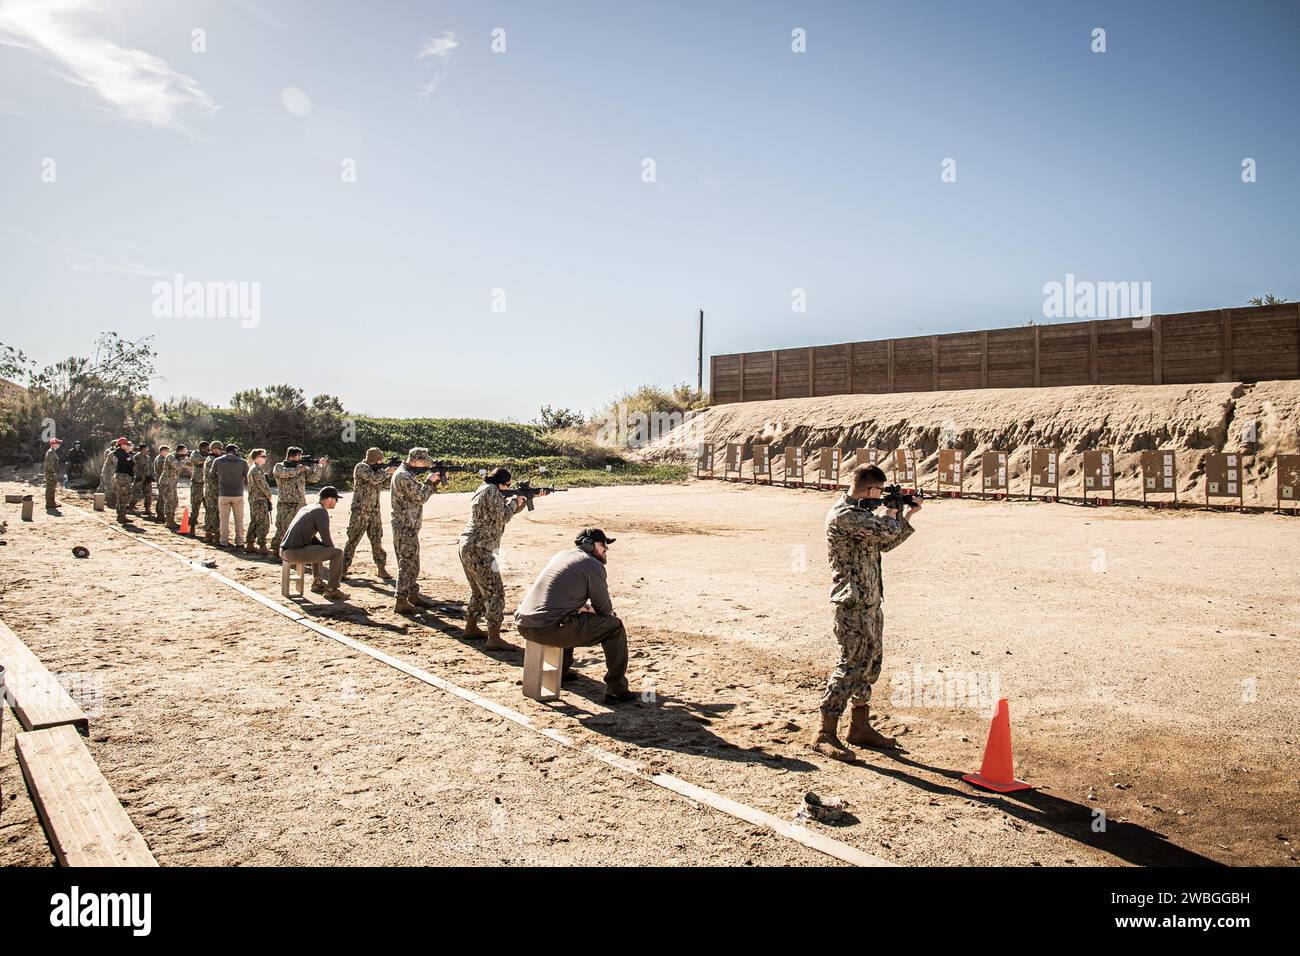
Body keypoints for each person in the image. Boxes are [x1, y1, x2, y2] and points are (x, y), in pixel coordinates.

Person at [811, 464, 920, 761]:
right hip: (851, 604)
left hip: (870, 601)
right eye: (879, 492)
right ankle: (825, 732)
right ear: (871, 490)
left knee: (870, 666)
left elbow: (886, 542)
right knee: (850, 667)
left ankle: (859, 726)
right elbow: (883, 529)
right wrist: (891, 509)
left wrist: (905, 514)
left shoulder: (862, 515)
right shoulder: (845, 515)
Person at [515, 529, 637, 704]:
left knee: (570, 616)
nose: (606, 550)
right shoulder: (592, 565)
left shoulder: (562, 555)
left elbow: (558, 596)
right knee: (614, 627)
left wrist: (582, 607)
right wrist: (596, 611)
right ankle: (616, 689)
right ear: (588, 544)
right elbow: (605, 609)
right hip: (547, 628)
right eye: (603, 545)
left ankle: (561, 673)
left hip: (525, 623)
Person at [459, 467, 542, 651]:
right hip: (480, 549)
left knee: (479, 592)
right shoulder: (492, 492)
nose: (508, 488)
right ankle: (494, 638)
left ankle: (471, 628)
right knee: (495, 594)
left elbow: (501, 514)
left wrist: (526, 498)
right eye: (507, 485)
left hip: (470, 546)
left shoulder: (485, 489)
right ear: (500, 484)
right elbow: (503, 515)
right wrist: (514, 501)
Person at [389, 447, 445, 615]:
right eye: (423, 461)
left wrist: (434, 483)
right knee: (407, 563)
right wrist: (429, 481)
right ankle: (401, 600)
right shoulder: (403, 476)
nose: (424, 464)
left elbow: (420, 494)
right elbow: (421, 496)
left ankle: (412, 594)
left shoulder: (407, 474)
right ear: (416, 459)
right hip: (404, 525)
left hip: (408, 525)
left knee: (413, 562)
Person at [279, 486, 348, 600]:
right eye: (336, 499)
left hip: (285, 550)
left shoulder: (308, 508)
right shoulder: (321, 512)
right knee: (338, 553)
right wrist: (331, 552)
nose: (336, 502)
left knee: (319, 547)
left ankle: (318, 582)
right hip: (294, 552)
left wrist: (324, 549)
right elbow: (327, 539)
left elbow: (312, 538)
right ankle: (332, 590)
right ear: (329, 499)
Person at [343, 448, 394, 581]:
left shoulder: (377, 470)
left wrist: (391, 474)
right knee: (353, 540)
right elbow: (374, 479)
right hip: (360, 510)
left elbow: (385, 483)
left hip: (374, 511)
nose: (381, 461)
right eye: (379, 459)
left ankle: (381, 568)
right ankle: (343, 569)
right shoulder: (361, 467)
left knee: (377, 539)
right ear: (373, 459)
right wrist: (387, 471)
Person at [270, 447, 328, 551]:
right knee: (283, 528)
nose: (301, 457)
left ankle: (297, 550)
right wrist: (298, 470)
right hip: (286, 503)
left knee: (301, 528)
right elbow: (282, 474)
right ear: (292, 456)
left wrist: (320, 466)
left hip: (300, 504)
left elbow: (313, 478)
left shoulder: (301, 468)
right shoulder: (279, 466)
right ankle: (276, 550)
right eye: (299, 455)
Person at [211, 442, 249, 547]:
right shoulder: (242, 462)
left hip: (223, 493)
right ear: (235, 451)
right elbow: (247, 478)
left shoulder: (217, 461)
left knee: (224, 519)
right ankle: (240, 541)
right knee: (239, 519)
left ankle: (224, 541)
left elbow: (211, 476)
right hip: (238, 494)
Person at [244, 448, 274, 555]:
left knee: (255, 522)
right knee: (263, 523)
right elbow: (263, 485)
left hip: (255, 500)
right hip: (259, 500)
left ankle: (250, 544)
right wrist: (269, 496)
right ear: (257, 458)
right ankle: (262, 546)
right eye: (263, 456)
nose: (265, 458)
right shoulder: (256, 470)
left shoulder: (254, 469)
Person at [202, 441, 224, 543]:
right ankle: (211, 534)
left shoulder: (211, 458)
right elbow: (215, 476)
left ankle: (212, 533)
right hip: (212, 490)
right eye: (220, 449)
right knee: (212, 512)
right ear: (215, 449)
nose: (221, 451)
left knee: (213, 512)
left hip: (212, 490)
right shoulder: (212, 460)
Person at [186, 440, 210, 534]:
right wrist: (208, 458)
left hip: (206, 484)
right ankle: (192, 526)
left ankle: (208, 527)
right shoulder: (195, 454)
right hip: (197, 483)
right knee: (195, 506)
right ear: (201, 448)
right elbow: (197, 461)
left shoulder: (209, 455)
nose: (207, 450)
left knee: (208, 507)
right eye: (205, 448)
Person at [155, 444, 182, 528]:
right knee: (167, 501)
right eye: (165, 450)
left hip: (169, 482)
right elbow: (176, 466)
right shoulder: (165, 458)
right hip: (166, 482)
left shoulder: (169, 457)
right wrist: (185, 460)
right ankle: (165, 518)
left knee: (171, 501)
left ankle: (168, 519)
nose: (167, 452)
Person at [110, 438, 135, 524]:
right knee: (124, 495)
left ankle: (121, 515)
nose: (127, 446)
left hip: (123, 476)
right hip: (123, 476)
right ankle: (121, 515)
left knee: (122, 496)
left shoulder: (121, 453)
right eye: (126, 444)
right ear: (122, 445)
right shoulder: (121, 453)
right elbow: (130, 463)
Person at [130, 443, 155, 518]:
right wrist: (138, 476)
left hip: (147, 478)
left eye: (147, 449)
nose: (147, 450)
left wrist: (151, 476)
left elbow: (151, 467)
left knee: (148, 494)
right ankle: (131, 506)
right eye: (145, 449)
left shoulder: (148, 457)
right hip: (139, 479)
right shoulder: (136, 457)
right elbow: (135, 467)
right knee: (136, 493)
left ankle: (147, 509)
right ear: (141, 449)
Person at [43, 437, 62, 510]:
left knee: (52, 488)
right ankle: (49, 504)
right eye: (58, 443)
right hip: (50, 473)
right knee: (50, 488)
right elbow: (50, 465)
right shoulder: (50, 452)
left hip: (52, 473)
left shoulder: (52, 452)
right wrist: (54, 473)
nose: (59, 444)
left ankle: (52, 503)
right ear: (54, 444)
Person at [99, 443, 118, 508]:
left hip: (112, 472)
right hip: (108, 473)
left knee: (113, 487)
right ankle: (107, 501)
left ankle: (112, 500)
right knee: (108, 487)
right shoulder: (110, 452)